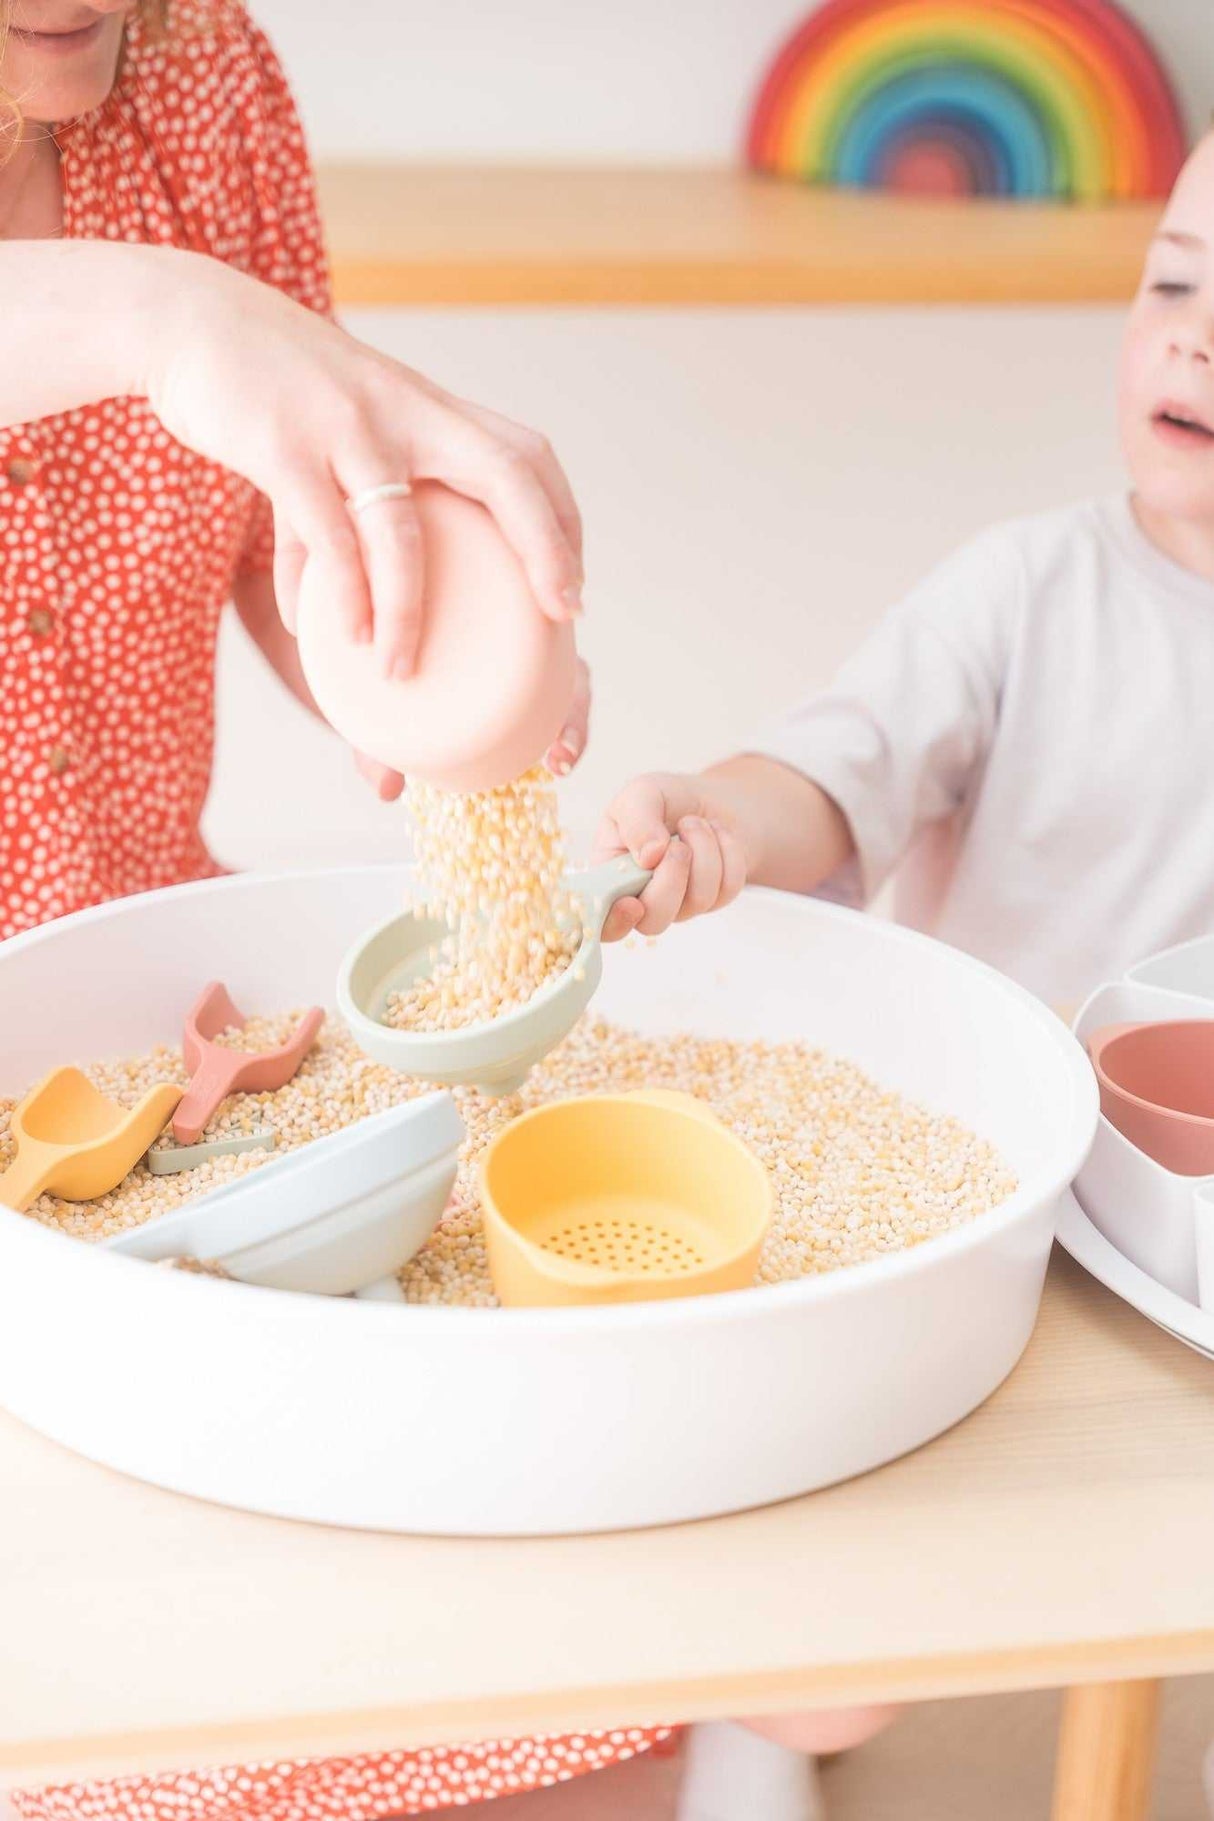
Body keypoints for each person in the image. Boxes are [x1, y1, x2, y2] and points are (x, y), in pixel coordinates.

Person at [0, 2, 675, 1817]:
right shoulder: (155, 274)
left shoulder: (203, 71)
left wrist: (433, 679)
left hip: (161, 1017)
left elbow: (291, 529)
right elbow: (193, 349)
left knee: (522, 1640)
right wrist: (161, 311)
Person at [597, 122, 1214, 1821]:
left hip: (1187, 1229)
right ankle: (756, 1718)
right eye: (1172, 278)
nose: (1192, 333)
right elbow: (838, 771)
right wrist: (721, 815)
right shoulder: (1034, 588)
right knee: (849, 1597)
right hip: (976, 1181)